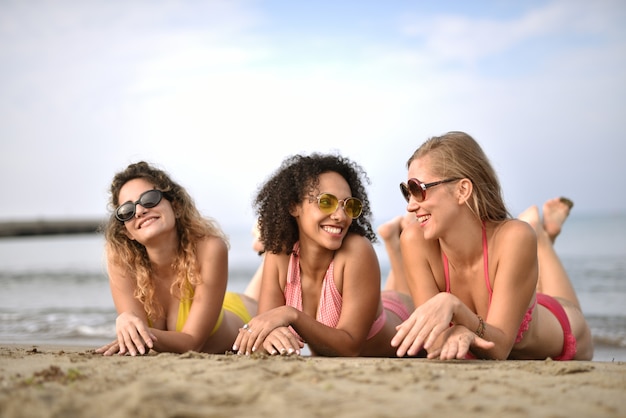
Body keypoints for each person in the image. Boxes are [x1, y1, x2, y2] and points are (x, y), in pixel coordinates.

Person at [390, 131, 593, 360]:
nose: (410, 206)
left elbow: (499, 349)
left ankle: (543, 240)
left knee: (529, 244)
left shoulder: (515, 237)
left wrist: (453, 307)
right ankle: (541, 238)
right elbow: (435, 343)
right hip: (513, 293)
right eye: (407, 192)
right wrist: (457, 328)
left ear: (462, 190)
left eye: (418, 189)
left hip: (565, 331)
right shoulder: (414, 241)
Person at [232, 153, 415, 357]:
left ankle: (398, 242)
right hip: (368, 301)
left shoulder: (356, 250)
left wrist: (290, 314)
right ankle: (394, 241)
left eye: (349, 206)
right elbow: (264, 330)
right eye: (326, 202)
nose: (340, 215)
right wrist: (267, 337)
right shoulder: (280, 255)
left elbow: (349, 347)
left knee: (405, 289)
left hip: (404, 317)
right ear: (294, 206)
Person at [95, 161, 257, 356]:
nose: (139, 211)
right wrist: (126, 320)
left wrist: (135, 329)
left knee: (263, 286)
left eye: (149, 199)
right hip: (217, 303)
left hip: (242, 313)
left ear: (176, 207)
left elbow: (192, 343)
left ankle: (264, 245)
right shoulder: (122, 260)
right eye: (126, 211)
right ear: (127, 231)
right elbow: (138, 339)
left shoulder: (210, 248)